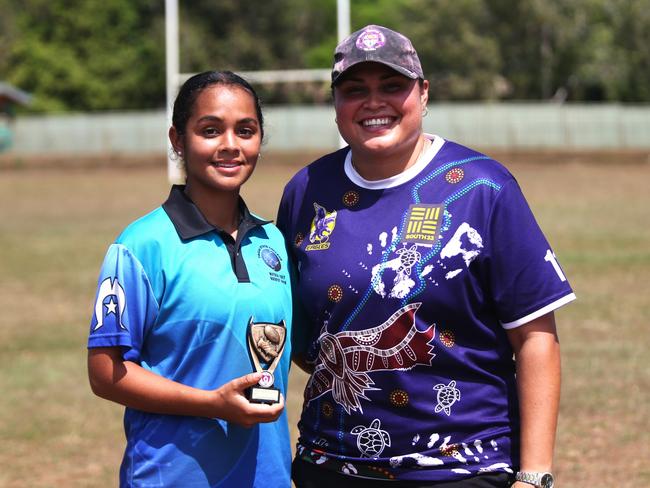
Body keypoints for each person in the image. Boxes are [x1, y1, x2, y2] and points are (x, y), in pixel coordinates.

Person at [277, 25, 574, 488]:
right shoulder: (307, 191)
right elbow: (298, 330)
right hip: (331, 464)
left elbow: (536, 338)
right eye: (355, 90)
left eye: (392, 86)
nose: (374, 102)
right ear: (335, 104)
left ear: (424, 91)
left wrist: (533, 477)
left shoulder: (484, 188)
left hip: (462, 469)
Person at [87, 71, 293, 487]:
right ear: (178, 140)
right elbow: (104, 372)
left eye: (246, 130)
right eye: (210, 130)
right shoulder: (141, 245)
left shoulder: (272, 240)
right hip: (173, 476)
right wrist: (213, 404)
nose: (230, 145)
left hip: (265, 476)